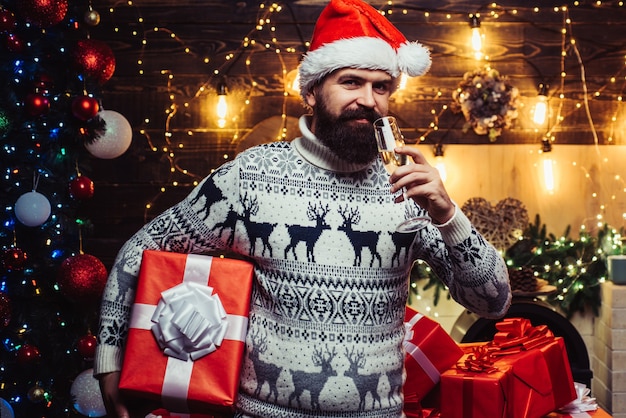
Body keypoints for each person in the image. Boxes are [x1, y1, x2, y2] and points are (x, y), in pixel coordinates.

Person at [94, 0, 512, 416]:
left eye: (381, 86)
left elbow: (493, 303)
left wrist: (447, 216)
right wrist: (110, 359)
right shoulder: (250, 177)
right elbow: (139, 253)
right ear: (312, 91)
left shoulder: (408, 186)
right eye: (351, 82)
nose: (369, 100)